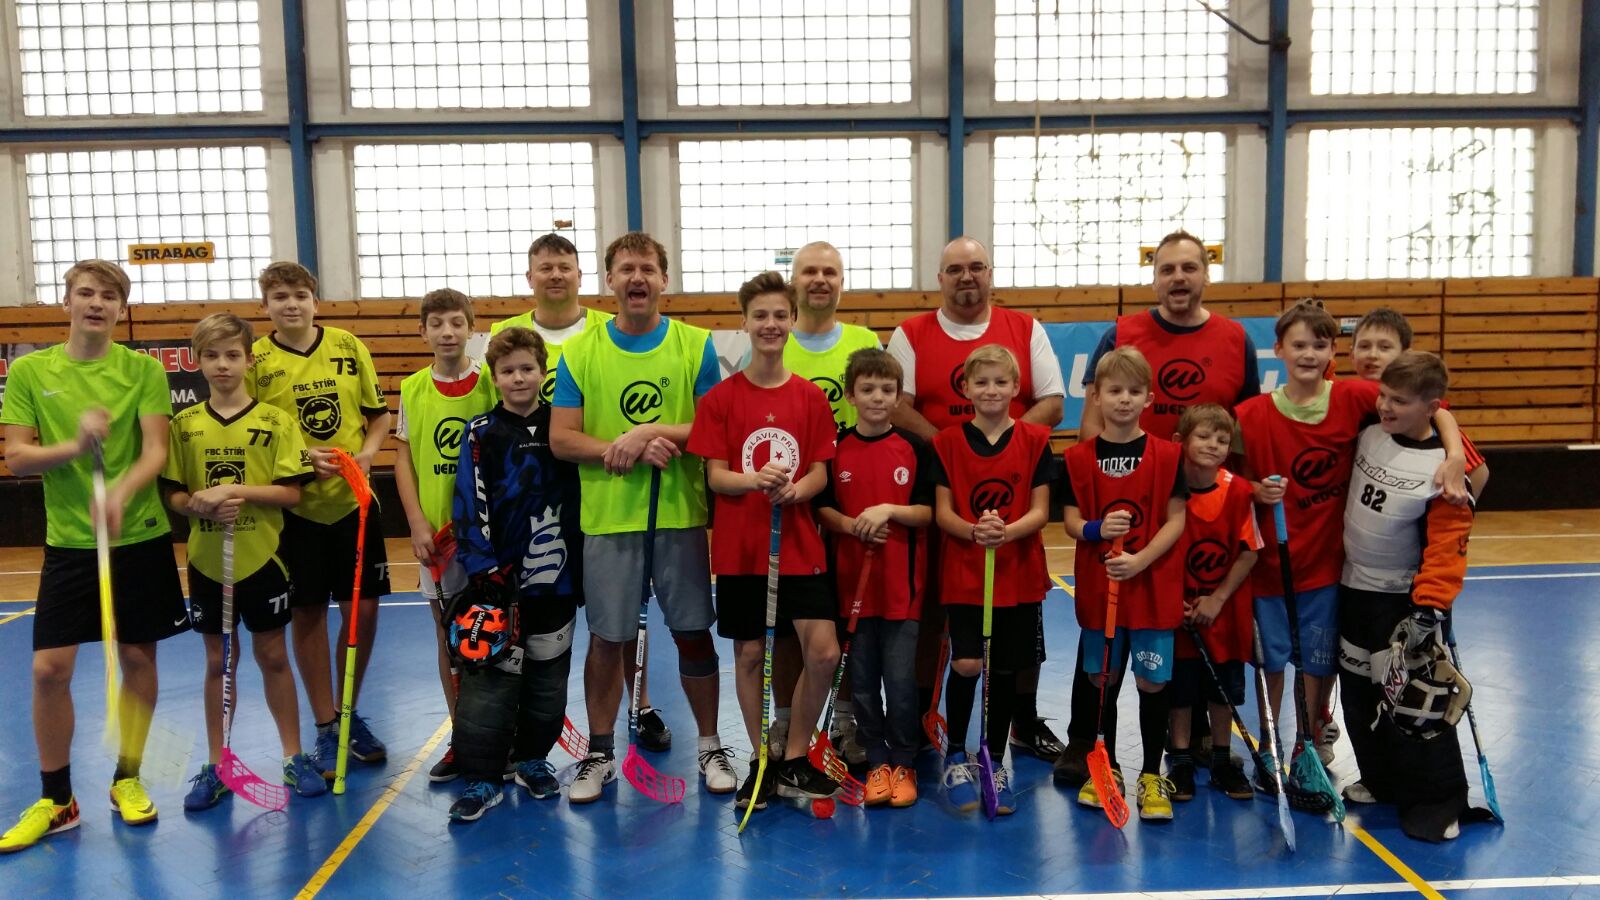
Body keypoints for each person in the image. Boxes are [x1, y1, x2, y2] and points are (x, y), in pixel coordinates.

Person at [1234, 301, 1468, 792]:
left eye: (1318, 345)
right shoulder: (1250, 415)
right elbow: (1224, 478)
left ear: (1331, 353)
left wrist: (1452, 456)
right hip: (1270, 568)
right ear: (1278, 349)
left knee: (1318, 666)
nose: (1308, 353)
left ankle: (1308, 746)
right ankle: (1270, 744)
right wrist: (1254, 490)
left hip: (1328, 570)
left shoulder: (1357, 397)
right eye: (1298, 344)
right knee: (1271, 664)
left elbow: (1436, 406)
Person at [1059, 229, 1260, 788]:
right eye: (1168, 268)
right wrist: (1103, 482)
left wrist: (1240, 494)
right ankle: (1084, 741)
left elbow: (1242, 424)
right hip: (1130, 503)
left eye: (1189, 267)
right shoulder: (1122, 333)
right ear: (1154, 278)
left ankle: (1186, 742)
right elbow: (1092, 419)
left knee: (1175, 628)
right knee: (1103, 642)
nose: (1179, 277)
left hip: (1197, 505)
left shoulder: (1235, 338)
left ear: (1206, 275)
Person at [0, 260, 189, 852]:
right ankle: (58, 800)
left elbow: (155, 450)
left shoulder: (142, 370)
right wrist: (77, 445)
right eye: (86, 293)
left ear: (121, 309)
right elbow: (17, 458)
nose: (97, 303)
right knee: (48, 670)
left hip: (138, 537)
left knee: (136, 657)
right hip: (69, 542)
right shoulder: (31, 371)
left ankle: (127, 778)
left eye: (110, 296)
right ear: (67, 302)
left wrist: (122, 492)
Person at [550, 231, 736, 802]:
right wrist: (623, 447)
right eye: (627, 269)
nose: (637, 278)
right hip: (609, 520)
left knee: (693, 636)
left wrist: (651, 431)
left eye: (648, 269)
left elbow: (714, 427)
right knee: (607, 640)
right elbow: (562, 438)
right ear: (609, 280)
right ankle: (599, 752)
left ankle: (710, 746)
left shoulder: (695, 346)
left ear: (663, 279)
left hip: (678, 515)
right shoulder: (579, 352)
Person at [888, 236, 1067, 762]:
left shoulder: (1026, 328)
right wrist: (958, 448)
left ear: (990, 273)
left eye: (976, 267)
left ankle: (1022, 722)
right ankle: (926, 719)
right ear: (939, 278)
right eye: (955, 269)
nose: (966, 277)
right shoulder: (911, 333)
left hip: (1012, 497)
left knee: (1021, 630)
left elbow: (1053, 403)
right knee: (935, 614)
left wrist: (1003, 446)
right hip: (942, 486)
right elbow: (898, 406)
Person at [492, 234, 670, 752]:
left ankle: (639, 704)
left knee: (621, 614)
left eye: (564, 266)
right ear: (529, 276)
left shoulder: (606, 329)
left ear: (580, 274)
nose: (555, 275)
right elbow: (492, 420)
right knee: (533, 617)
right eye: (545, 267)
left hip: (602, 489)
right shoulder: (506, 335)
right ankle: (528, 719)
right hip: (531, 503)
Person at [689, 270, 841, 811]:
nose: (771, 324)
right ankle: (762, 761)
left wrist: (797, 490)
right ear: (745, 323)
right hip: (743, 550)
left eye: (780, 314)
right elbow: (716, 476)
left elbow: (820, 472)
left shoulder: (810, 398)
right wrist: (754, 480)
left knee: (823, 652)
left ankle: (795, 756)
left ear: (793, 320)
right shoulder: (721, 399)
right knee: (751, 655)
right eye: (761, 316)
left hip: (799, 546)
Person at [160, 313, 325, 810]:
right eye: (212, 355)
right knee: (218, 662)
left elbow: (291, 493)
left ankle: (293, 755)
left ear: (249, 360)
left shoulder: (275, 422)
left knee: (273, 656)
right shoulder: (184, 426)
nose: (223, 364)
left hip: (263, 559)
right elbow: (174, 494)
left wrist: (235, 490)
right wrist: (199, 506)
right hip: (208, 562)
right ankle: (218, 762)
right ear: (197, 362)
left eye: (233, 355)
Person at [247, 261, 393, 773]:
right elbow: (249, 432)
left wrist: (369, 453)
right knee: (307, 613)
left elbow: (379, 416)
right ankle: (327, 724)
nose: (291, 304)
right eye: (279, 297)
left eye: (300, 295)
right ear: (265, 305)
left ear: (315, 300)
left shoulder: (348, 346)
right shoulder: (256, 359)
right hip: (296, 510)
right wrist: (299, 458)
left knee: (364, 613)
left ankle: (349, 711)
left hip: (353, 504)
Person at [1336, 350, 1482, 843]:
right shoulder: (1371, 430)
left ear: (1431, 408)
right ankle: (1381, 779)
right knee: (1359, 693)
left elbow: (1447, 547)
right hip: (1352, 588)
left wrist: (1429, 608)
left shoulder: (1445, 472)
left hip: (1401, 601)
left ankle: (1440, 801)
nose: (1385, 405)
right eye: (1383, 395)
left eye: (1399, 400)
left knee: (1415, 703)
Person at [446, 327, 584, 821]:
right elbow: (467, 501)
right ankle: (483, 778)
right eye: (508, 370)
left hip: (557, 579)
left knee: (549, 678)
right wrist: (482, 568)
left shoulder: (564, 428)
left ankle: (531, 760)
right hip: (499, 583)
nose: (519, 378)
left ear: (544, 372)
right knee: (490, 680)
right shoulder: (480, 432)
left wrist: (582, 568)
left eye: (528, 368)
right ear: (494, 376)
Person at [1062, 346, 1189, 821]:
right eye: (1114, 390)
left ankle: (1151, 774)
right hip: (1101, 591)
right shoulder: (1076, 459)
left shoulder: (1169, 456)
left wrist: (1140, 561)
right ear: (1096, 397)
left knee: (1153, 682)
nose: (1123, 399)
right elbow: (1071, 521)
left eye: (1134, 391)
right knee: (1104, 680)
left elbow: (1177, 519)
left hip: (1151, 586)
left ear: (1149, 399)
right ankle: (1108, 768)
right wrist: (1097, 529)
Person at [767, 241, 881, 765]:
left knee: (847, 616)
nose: (820, 279)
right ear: (794, 282)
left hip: (852, 497)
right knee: (792, 621)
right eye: (809, 271)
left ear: (841, 282)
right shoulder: (774, 340)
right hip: (791, 498)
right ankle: (786, 719)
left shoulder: (863, 340)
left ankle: (845, 717)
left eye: (830, 272)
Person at [929, 344, 1054, 817]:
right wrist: (974, 531)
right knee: (966, 664)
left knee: (1004, 669)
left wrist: (1006, 532)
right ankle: (955, 756)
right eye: (981, 382)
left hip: (1017, 571)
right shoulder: (946, 443)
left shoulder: (1036, 439)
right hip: (966, 570)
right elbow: (943, 512)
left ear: (1016, 387)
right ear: (965, 388)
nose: (991, 390)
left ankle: (994, 759)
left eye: (1001, 382)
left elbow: (1040, 510)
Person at [815, 348, 933, 807]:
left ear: (899, 396)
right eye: (868, 389)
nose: (878, 397)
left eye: (887, 389)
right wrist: (852, 525)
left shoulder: (913, 448)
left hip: (902, 590)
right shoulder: (835, 449)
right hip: (851, 590)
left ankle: (904, 762)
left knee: (900, 682)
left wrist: (888, 510)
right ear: (850, 395)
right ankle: (877, 761)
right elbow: (822, 508)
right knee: (862, 684)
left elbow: (927, 512)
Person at [394, 289, 498, 782]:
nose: (448, 332)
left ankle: (501, 734)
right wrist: (416, 523)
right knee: (448, 635)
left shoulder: (490, 383)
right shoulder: (413, 388)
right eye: (436, 324)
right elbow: (404, 461)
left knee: (497, 632)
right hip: (436, 540)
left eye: (457, 322)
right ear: (423, 332)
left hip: (485, 537)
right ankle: (462, 736)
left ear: (471, 329)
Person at [1164, 403, 1260, 802]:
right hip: (1178, 611)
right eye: (1203, 436)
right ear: (1180, 442)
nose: (1213, 445)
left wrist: (1217, 599)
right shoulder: (1167, 489)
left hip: (1222, 611)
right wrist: (1173, 601)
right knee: (1181, 691)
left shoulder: (1239, 491)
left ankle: (1222, 759)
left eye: (1222, 440)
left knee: (1223, 691)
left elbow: (1250, 552)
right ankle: (1181, 759)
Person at [1350, 307, 1489, 498]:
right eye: (1364, 346)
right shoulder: (1349, 395)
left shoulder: (1423, 410)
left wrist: (1456, 456)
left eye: (1385, 347)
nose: (1373, 354)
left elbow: (1480, 473)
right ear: (1352, 354)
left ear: (1406, 354)